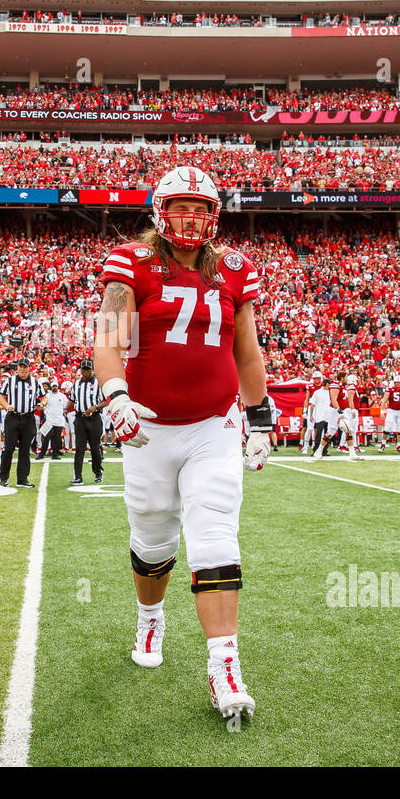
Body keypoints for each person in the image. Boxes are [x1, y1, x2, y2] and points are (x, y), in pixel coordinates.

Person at [93, 165, 270, 724]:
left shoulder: (234, 271)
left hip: (212, 424)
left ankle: (225, 666)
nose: (190, 218)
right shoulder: (134, 263)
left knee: (215, 531)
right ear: (160, 211)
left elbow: (246, 349)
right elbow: (109, 333)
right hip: (146, 425)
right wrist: (115, 394)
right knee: (152, 537)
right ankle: (150, 615)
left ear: (214, 216)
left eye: (201, 208)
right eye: (181, 207)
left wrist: (259, 417)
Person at [0, 358, 45, 488]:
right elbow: (0, 396)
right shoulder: (10, 381)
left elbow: (44, 397)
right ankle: (4, 478)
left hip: (28, 418)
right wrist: (6, 405)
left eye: (25, 367)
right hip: (13, 417)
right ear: (17, 368)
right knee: (8, 449)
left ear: (29, 368)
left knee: (25, 450)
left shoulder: (35, 383)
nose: (23, 369)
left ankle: (22, 479)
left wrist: (42, 404)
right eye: (21, 367)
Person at [69, 359, 105, 485]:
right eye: (83, 370)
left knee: (95, 448)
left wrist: (95, 407)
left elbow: (106, 401)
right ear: (80, 371)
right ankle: (78, 476)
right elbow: (72, 400)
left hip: (94, 419)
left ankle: (98, 472)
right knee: (79, 448)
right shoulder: (76, 385)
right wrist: (64, 409)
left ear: (92, 371)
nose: (85, 372)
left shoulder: (98, 384)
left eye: (87, 370)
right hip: (80, 419)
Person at [36, 380, 69, 459]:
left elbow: (66, 407)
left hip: (59, 420)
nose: (54, 387)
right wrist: (47, 413)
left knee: (57, 438)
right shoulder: (47, 395)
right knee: (46, 437)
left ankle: (55, 454)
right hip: (49, 419)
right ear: (51, 387)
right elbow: (43, 406)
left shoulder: (62, 396)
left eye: (56, 386)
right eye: (53, 386)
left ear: (58, 387)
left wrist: (62, 413)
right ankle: (42, 454)